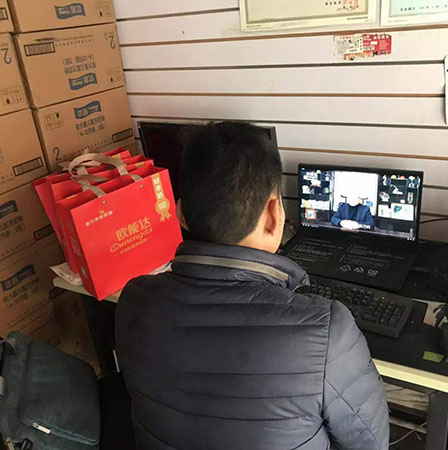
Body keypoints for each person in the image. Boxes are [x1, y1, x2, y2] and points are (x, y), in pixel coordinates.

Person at [115, 122, 389, 450]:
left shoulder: (133, 300)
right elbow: (371, 444)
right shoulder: (327, 331)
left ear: (180, 212)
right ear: (274, 215)